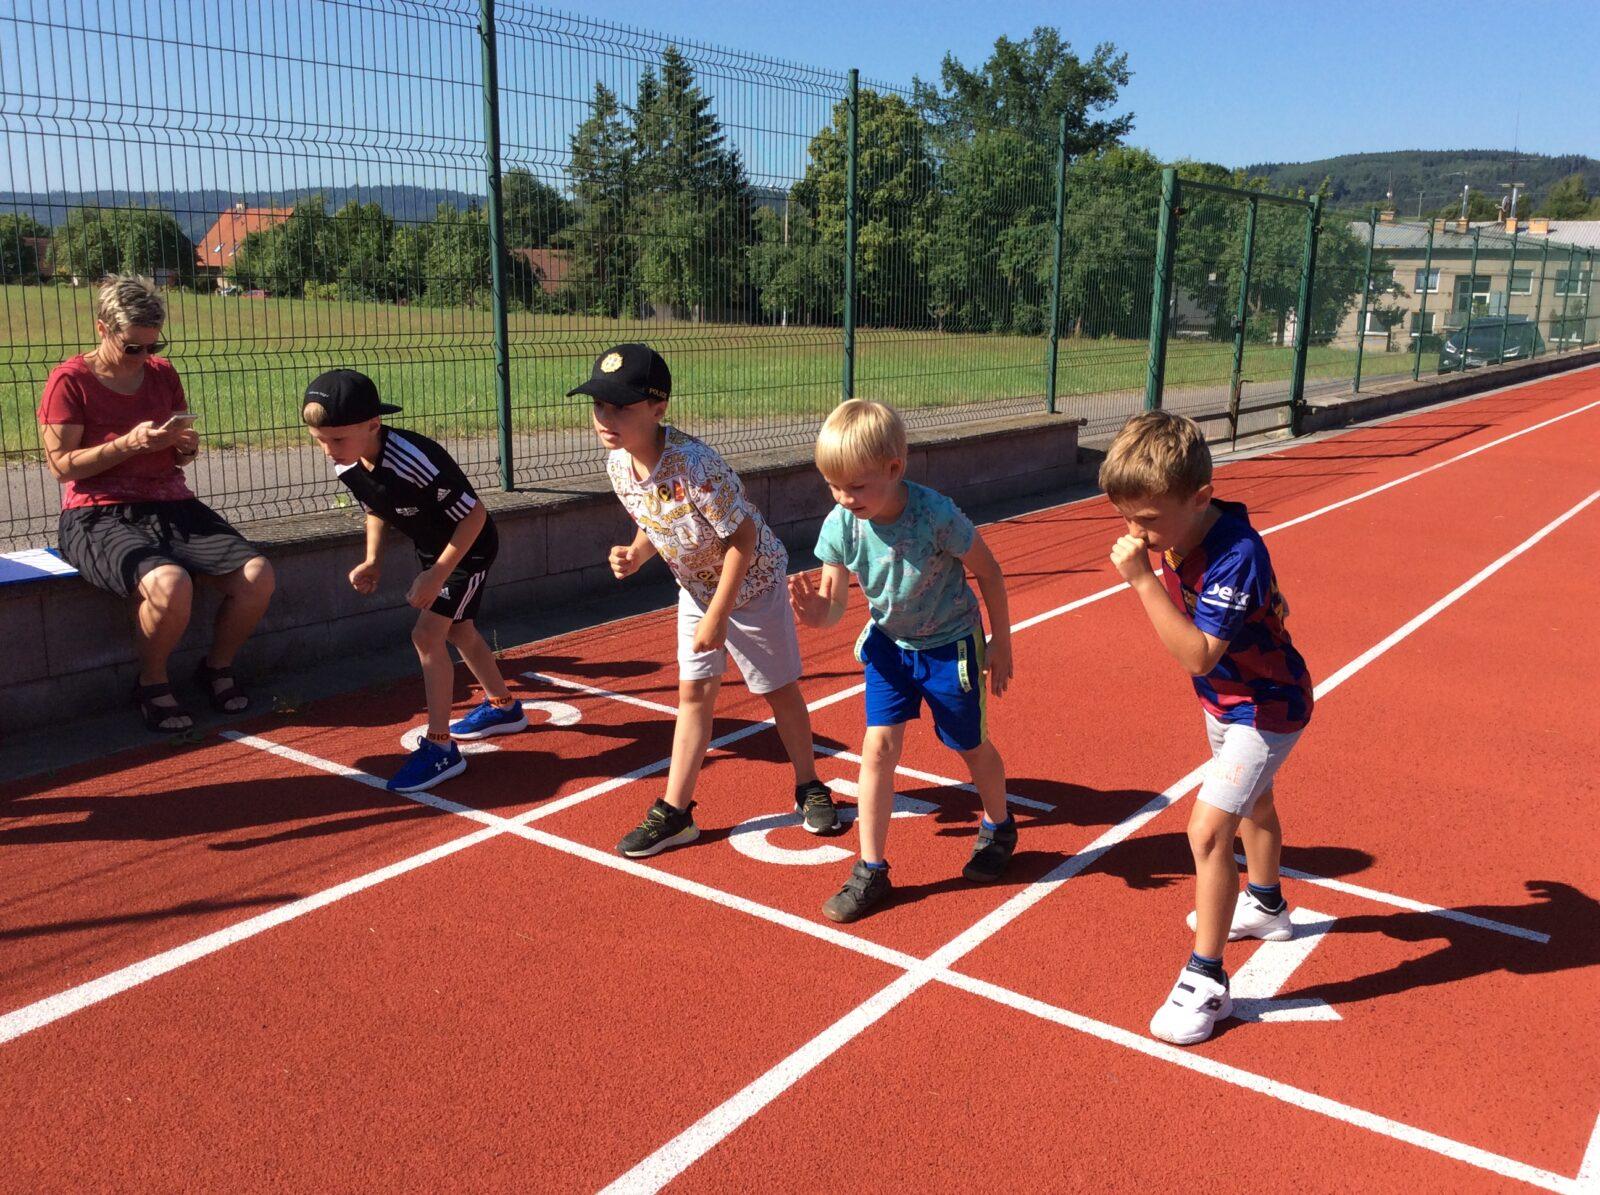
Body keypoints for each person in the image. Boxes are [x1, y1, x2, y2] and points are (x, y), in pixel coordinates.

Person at [1100, 410, 1314, 1046]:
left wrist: (1142, 581)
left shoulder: (1235, 553)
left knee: (1208, 831)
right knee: (1256, 804)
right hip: (1225, 701)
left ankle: (1206, 979)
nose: (1136, 534)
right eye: (1126, 518)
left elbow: (1197, 653)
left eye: (1147, 520)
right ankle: (1267, 906)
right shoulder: (1181, 529)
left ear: (1200, 497)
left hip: (1266, 707)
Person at [575, 343, 839, 857]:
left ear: (658, 409)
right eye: (599, 405)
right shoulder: (617, 465)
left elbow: (742, 539)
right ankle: (676, 812)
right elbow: (656, 517)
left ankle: (810, 784)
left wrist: (719, 614)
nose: (606, 418)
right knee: (694, 694)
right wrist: (636, 553)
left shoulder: (696, 465)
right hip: (698, 590)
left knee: (778, 690)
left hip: (753, 586)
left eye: (621, 407)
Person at [789, 398, 1016, 924]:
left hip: (950, 646)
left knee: (970, 745)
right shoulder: (841, 524)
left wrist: (1000, 642)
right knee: (878, 748)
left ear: (894, 469)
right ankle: (871, 868)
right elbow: (833, 607)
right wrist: (817, 613)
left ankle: (999, 824)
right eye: (833, 486)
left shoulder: (935, 514)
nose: (844, 498)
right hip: (890, 647)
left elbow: (989, 571)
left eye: (855, 486)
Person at [37, 274, 275, 732]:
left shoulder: (162, 374)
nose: (144, 357)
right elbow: (61, 466)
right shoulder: (70, 380)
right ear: (102, 328)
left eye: (153, 346)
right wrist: (128, 444)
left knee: (257, 576)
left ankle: (216, 667)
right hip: (97, 510)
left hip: (169, 501)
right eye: (133, 347)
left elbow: (177, 450)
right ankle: (152, 682)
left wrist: (184, 448)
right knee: (170, 583)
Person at [302, 369, 527, 793]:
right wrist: (373, 560)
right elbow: (375, 506)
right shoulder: (348, 457)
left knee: (426, 636)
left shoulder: (412, 459)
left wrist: (437, 575)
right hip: (433, 549)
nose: (328, 450)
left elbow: (475, 516)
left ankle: (441, 747)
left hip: (469, 546)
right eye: (319, 440)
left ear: (373, 424)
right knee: (459, 630)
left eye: (336, 439)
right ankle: (504, 707)